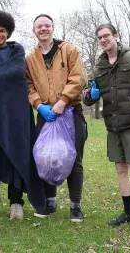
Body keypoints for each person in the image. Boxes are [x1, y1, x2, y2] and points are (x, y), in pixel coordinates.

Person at [84, 23, 130, 233]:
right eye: (99, 37)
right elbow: (87, 95)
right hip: (113, 125)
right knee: (120, 169)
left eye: (106, 35)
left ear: (116, 36)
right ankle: (127, 213)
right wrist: (91, 95)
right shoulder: (99, 67)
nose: (103, 40)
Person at [0, 10, 46, 220]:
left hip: (17, 112)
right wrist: (0, 78)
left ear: (8, 33)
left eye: (2, 31)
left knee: (17, 152)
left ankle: (16, 202)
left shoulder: (18, 51)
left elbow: (16, 73)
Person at [25, 14, 88, 221]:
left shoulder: (69, 50)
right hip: (46, 115)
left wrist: (63, 101)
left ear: (52, 28)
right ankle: (49, 201)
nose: (43, 29)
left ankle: (75, 205)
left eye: (47, 25)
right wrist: (38, 105)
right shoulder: (30, 58)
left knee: (73, 158)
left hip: (70, 112)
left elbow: (78, 78)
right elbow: (28, 85)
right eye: (39, 26)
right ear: (34, 30)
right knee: (47, 157)